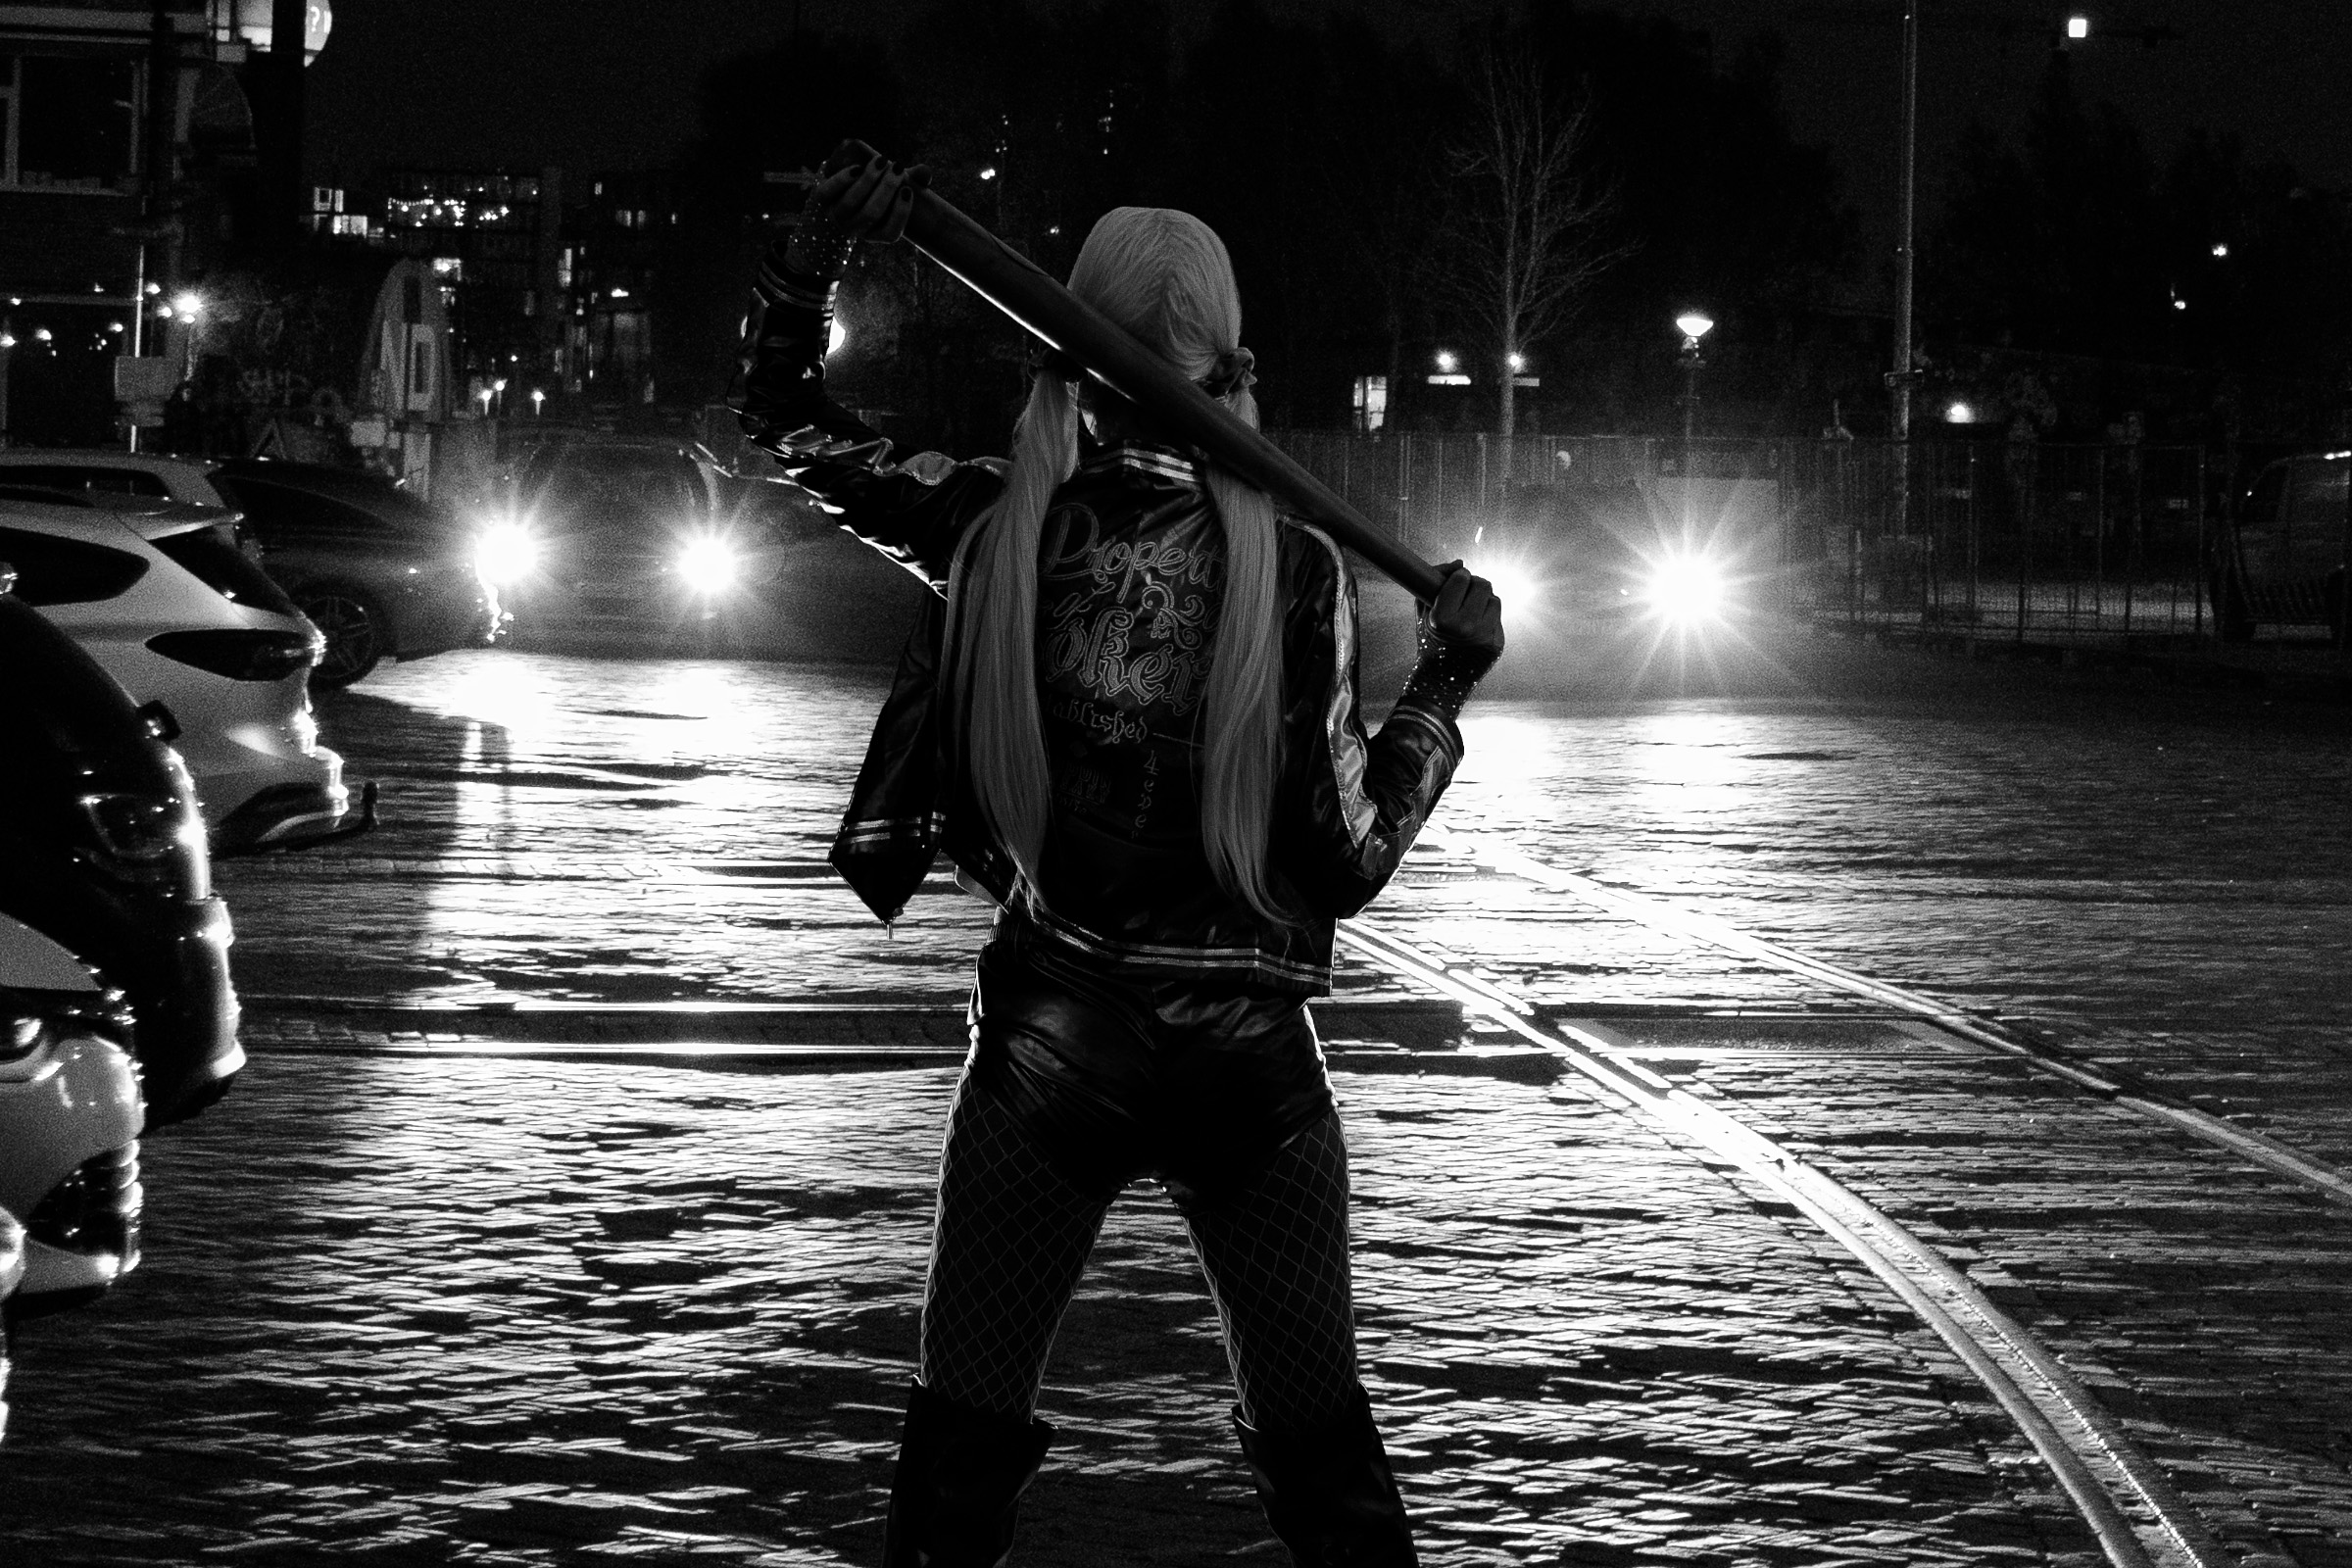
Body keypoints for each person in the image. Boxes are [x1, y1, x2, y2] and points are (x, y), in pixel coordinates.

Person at [734, 152, 1504, 1568]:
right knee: (1326, 1471)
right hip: (1247, 1075)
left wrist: (810, 260)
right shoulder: (1298, 571)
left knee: (955, 1467)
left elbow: (783, 422)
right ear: (1231, 361)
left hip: (1050, 1053)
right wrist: (1444, 687)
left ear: (1072, 350)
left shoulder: (994, 523)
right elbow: (1345, 859)